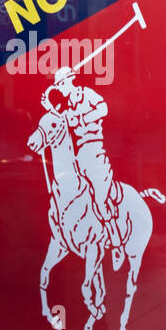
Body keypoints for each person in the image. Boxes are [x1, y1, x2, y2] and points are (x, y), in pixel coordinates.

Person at [49, 66, 124, 268]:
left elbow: (104, 108)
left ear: (68, 82)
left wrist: (82, 118)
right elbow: (59, 122)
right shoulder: (66, 106)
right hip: (78, 154)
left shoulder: (86, 94)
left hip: (94, 150)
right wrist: (49, 106)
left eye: (60, 85)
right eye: (57, 86)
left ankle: (116, 242)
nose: (60, 89)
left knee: (99, 200)